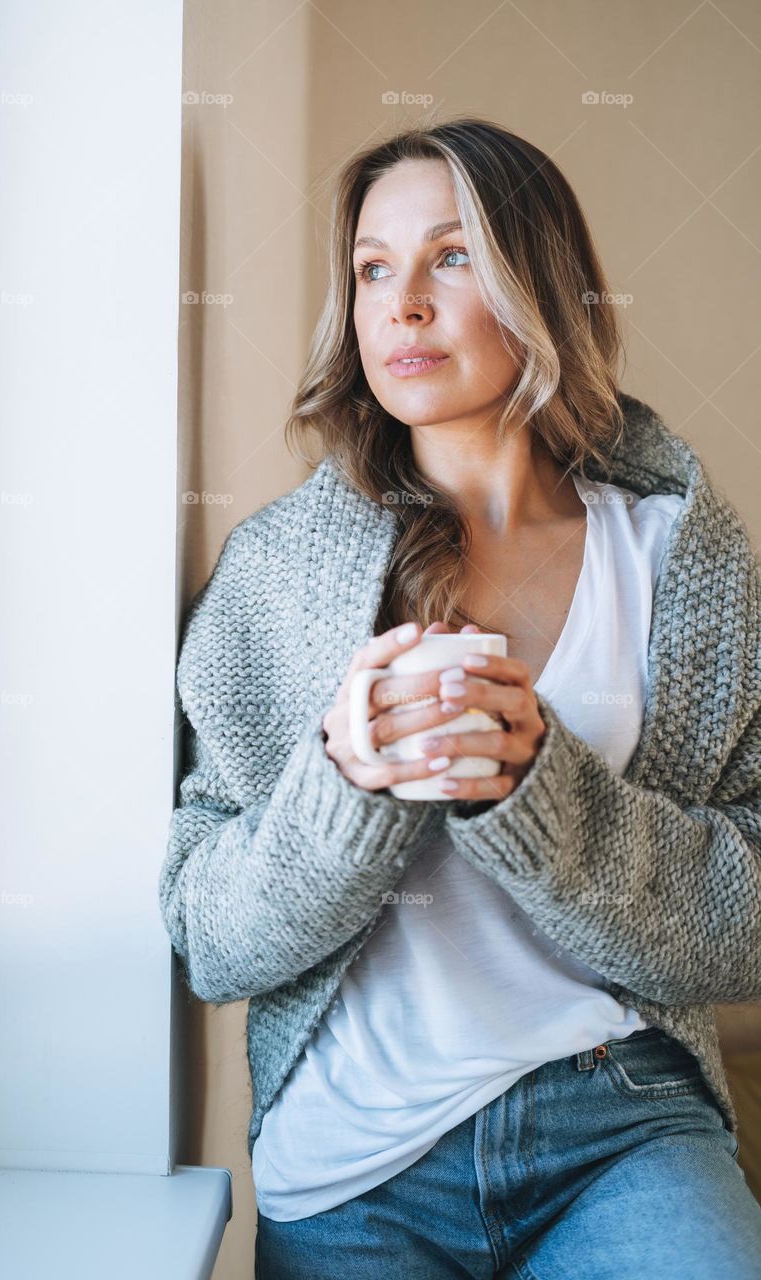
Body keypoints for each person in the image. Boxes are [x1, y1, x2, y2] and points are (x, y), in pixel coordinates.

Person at [158, 116, 761, 1278]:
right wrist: (345, 783)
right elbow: (210, 941)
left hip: (620, 1121)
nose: (402, 304)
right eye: (374, 268)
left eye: (450, 257)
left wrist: (541, 792)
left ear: (538, 285)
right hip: (351, 1158)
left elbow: (745, 921)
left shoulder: (685, 562)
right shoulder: (273, 575)